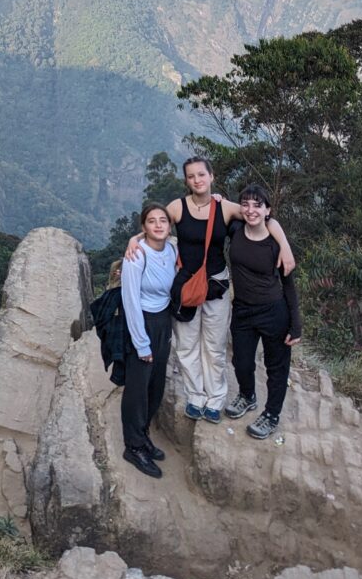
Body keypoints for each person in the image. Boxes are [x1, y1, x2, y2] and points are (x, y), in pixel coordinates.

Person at [126, 157, 294, 425]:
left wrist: (284, 246)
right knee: (187, 345)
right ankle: (195, 397)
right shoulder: (178, 207)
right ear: (186, 180)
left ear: (211, 176)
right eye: (191, 176)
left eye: (201, 174)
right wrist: (133, 239)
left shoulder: (224, 207)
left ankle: (215, 398)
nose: (197, 180)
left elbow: (263, 216)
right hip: (186, 287)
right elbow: (154, 223)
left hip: (216, 285)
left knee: (214, 347)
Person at [224, 183, 302, 440]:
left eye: (258, 205)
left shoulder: (275, 245)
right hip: (242, 310)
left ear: (268, 210)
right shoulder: (235, 229)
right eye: (245, 204)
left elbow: (288, 285)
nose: (250, 210)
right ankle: (247, 396)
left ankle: (271, 414)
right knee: (241, 361)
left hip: (273, 311)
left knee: (276, 367)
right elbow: (214, 208)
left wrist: (296, 325)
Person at [120, 204, 176, 478]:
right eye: (151, 221)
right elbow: (130, 300)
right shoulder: (136, 256)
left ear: (169, 226)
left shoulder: (172, 249)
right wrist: (141, 342)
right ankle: (133, 446)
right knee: (137, 388)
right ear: (143, 227)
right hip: (142, 321)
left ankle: (143, 435)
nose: (158, 225)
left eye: (162, 220)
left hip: (163, 321)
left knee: (156, 385)